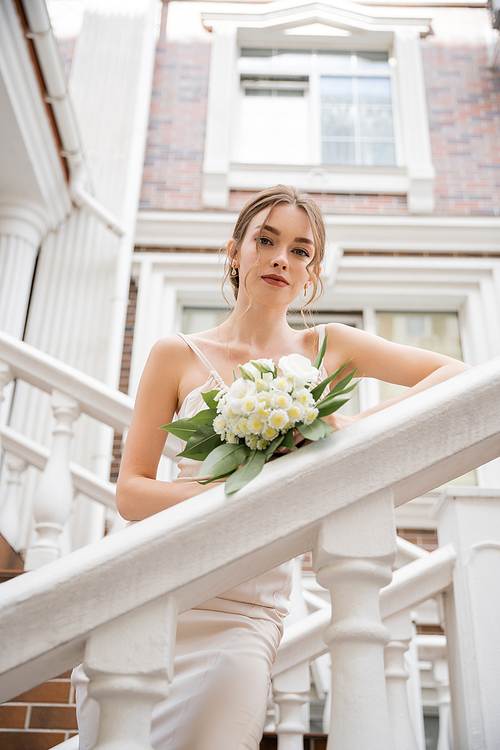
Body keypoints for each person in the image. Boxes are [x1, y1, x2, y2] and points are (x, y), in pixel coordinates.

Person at [72, 185, 470, 749]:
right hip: (159, 581)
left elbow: (455, 375)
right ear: (235, 252)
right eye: (266, 240)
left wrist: (345, 429)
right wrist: (238, 486)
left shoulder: (328, 346)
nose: (282, 257)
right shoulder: (174, 355)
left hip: (247, 605)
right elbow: (132, 493)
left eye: (301, 250)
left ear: (313, 272)